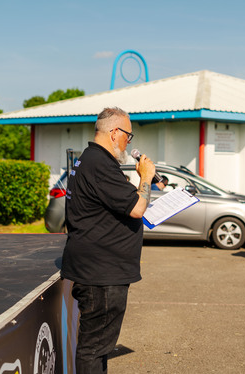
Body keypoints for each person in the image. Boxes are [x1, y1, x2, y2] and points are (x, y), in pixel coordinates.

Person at [61, 107, 156, 373]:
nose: (129, 142)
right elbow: (137, 208)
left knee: (99, 347)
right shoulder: (99, 164)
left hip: (100, 270)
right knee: (94, 348)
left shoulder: (93, 161)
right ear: (114, 133)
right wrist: (146, 178)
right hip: (100, 275)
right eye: (128, 135)